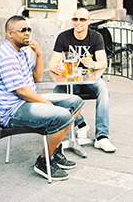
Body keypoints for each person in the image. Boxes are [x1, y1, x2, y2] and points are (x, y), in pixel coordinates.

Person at [0, 15, 84, 181]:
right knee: (62, 115)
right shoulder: (6, 56)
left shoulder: (20, 52)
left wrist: (39, 54)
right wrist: (48, 104)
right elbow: (22, 92)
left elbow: (37, 78)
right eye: (22, 30)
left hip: (28, 101)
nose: (27, 33)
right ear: (10, 34)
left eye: (28, 29)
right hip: (14, 110)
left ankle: (53, 152)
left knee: (76, 102)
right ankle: (44, 161)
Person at [49, 8, 117, 154]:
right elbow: (52, 63)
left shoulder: (96, 37)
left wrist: (94, 65)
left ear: (88, 21)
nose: (78, 23)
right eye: (75, 19)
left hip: (90, 80)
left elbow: (103, 62)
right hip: (70, 80)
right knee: (56, 95)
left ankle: (102, 137)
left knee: (103, 90)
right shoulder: (64, 37)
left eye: (82, 20)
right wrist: (57, 67)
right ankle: (81, 123)